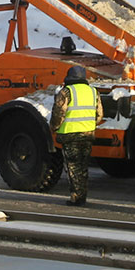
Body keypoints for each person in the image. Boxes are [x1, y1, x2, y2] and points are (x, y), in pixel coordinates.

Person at [50, 65, 104, 206]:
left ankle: (76, 197)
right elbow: (99, 115)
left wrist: (53, 128)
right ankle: (83, 195)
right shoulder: (93, 92)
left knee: (73, 167)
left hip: (70, 135)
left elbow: (59, 114)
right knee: (83, 166)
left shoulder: (66, 92)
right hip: (87, 134)